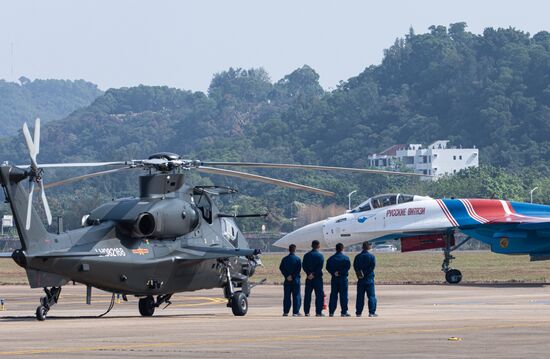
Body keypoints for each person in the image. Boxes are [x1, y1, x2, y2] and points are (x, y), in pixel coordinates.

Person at [326, 243, 351, 317]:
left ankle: (331, 312)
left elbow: (327, 267)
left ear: (335, 249)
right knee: (343, 296)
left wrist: (334, 272)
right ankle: (344, 312)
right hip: (343, 278)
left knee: (333, 295)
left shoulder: (331, 258)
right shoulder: (346, 258)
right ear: (342, 249)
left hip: (334, 278)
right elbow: (347, 267)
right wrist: (340, 272)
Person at [354, 241, 377, 317]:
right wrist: (366, 273)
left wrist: (361, 274)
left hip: (361, 279)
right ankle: (371, 312)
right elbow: (372, 267)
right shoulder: (372, 257)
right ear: (369, 247)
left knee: (360, 296)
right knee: (371, 296)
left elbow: (355, 267)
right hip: (369, 279)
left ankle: (358, 312)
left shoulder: (358, 257)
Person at [302, 240, 325, 317]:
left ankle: (306, 312)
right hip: (317, 278)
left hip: (309, 278)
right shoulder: (320, 256)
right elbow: (320, 267)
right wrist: (314, 274)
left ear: (311, 246)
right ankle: (318, 312)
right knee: (319, 295)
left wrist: (309, 274)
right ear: (318, 246)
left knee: (307, 295)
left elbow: (304, 266)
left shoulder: (306, 255)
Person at [279, 244, 302, 316]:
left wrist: (287, 276)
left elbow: (281, 268)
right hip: (295, 280)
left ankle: (286, 312)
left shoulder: (284, 259)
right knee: (296, 296)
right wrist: (293, 276)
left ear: (289, 250)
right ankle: (295, 312)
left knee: (287, 296)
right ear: (295, 250)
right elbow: (298, 269)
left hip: (287, 280)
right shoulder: (298, 259)